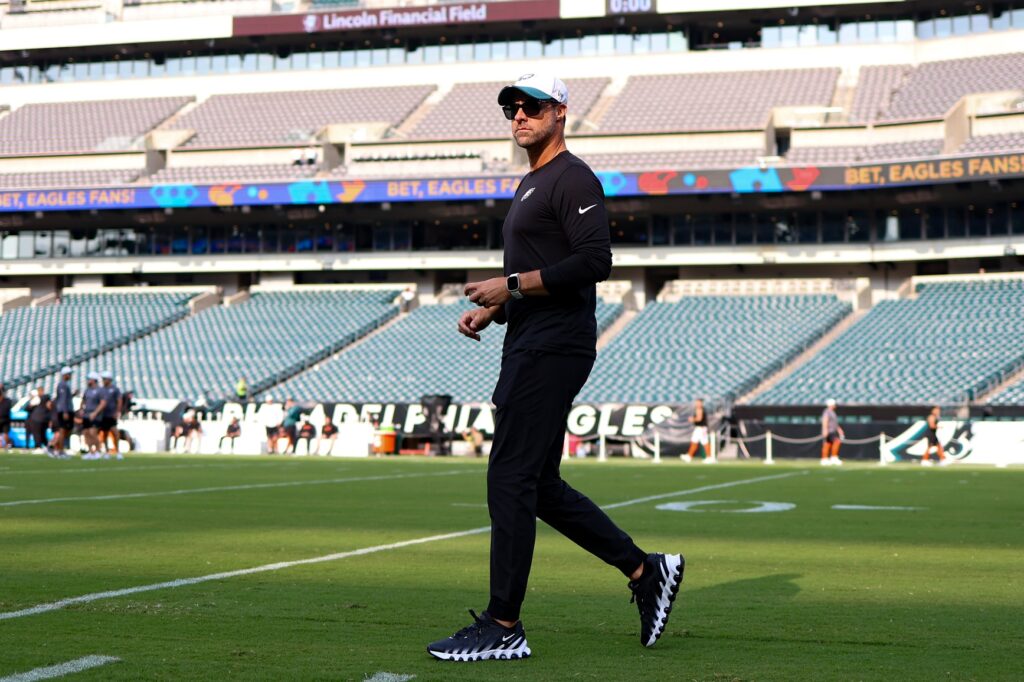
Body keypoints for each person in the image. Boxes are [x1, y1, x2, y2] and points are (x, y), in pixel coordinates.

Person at [427, 74, 684, 663]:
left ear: (560, 112)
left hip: (554, 345)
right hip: (528, 338)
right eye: (511, 109)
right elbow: (539, 272)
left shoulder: (573, 177)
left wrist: (510, 284)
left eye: (530, 106)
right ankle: (646, 571)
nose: (518, 116)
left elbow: (595, 260)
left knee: (509, 477)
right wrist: (497, 309)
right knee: (536, 484)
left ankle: (503, 623)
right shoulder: (532, 182)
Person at [48, 367, 74, 458]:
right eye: (69, 374)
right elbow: (62, 400)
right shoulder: (62, 385)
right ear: (65, 375)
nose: (70, 376)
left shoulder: (65, 385)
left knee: (66, 431)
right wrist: (65, 412)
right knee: (62, 431)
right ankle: (59, 450)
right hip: (64, 411)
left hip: (65, 410)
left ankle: (54, 447)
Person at [80, 373, 106, 458]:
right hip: (86, 414)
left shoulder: (100, 390)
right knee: (86, 433)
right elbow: (83, 400)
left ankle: (98, 451)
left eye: (89, 379)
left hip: (95, 415)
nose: (88, 381)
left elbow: (103, 403)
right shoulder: (87, 390)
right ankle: (91, 452)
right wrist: (81, 409)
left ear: (94, 380)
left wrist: (95, 413)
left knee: (93, 432)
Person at [98, 371, 122, 459]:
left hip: (111, 414)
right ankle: (106, 451)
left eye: (105, 379)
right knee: (104, 433)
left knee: (115, 432)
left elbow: (119, 401)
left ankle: (117, 450)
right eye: (103, 379)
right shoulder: (100, 390)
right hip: (103, 414)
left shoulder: (115, 389)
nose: (104, 381)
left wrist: (117, 412)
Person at [681, 398, 712, 463]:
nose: (696, 404)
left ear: (701, 403)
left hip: (701, 428)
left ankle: (709, 457)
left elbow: (699, 419)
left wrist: (692, 419)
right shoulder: (698, 409)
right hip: (698, 428)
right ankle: (689, 456)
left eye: (698, 402)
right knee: (694, 442)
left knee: (705, 442)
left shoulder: (699, 409)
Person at [27, 386, 52, 454]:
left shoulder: (43, 398)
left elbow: (49, 406)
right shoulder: (40, 398)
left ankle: (39, 447)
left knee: (38, 433)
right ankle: (44, 447)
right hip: (40, 418)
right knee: (40, 433)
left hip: (38, 418)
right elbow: (28, 408)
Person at [821, 398, 844, 466]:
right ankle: (832, 458)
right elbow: (825, 420)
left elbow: (835, 423)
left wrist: (839, 429)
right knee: (835, 442)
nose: (835, 406)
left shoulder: (832, 412)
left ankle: (826, 459)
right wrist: (825, 430)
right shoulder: (827, 411)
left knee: (828, 443)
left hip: (832, 431)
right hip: (829, 431)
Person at [0, 383, 11, 450]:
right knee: (5, 433)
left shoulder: (7, 401)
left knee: (5, 434)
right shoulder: (8, 401)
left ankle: (7, 445)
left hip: (4, 419)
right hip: (5, 419)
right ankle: (7, 446)